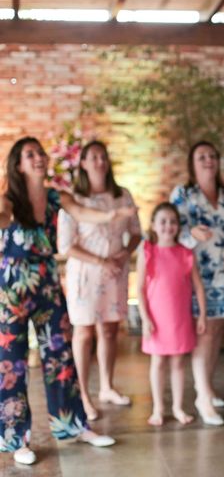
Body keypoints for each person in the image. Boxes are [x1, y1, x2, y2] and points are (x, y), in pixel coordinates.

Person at [0, 137, 131, 464]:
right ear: (18, 165)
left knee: (60, 356)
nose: (38, 158)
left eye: (39, 153)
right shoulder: (8, 200)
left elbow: (85, 213)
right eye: (30, 155)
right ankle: (18, 441)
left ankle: (73, 425)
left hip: (46, 284)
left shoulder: (56, 197)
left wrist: (113, 214)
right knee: (13, 365)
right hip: (12, 289)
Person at [170, 141, 224, 426]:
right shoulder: (183, 195)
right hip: (196, 275)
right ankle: (201, 396)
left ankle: (209, 385)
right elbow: (169, 230)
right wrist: (190, 232)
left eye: (211, 156)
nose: (207, 160)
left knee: (217, 331)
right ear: (192, 164)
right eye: (201, 157)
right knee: (204, 332)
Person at [58, 141, 142, 421]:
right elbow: (66, 245)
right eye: (93, 157)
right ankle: (83, 393)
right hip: (85, 275)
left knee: (109, 330)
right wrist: (100, 261)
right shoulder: (73, 199)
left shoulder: (123, 195)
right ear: (82, 163)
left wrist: (123, 256)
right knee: (83, 334)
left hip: (115, 273)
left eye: (103, 156)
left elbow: (136, 233)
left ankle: (107, 386)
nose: (99, 161)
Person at [136, 202, 207, 427]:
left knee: (178, 363)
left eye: (173, 221)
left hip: (180, 318)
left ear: (178, 226)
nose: (168, 226)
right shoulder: (147, 251)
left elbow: (198, 287)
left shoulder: (185, 253)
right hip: (156, 319)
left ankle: (177, 406)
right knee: (157, 362)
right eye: (163, 221)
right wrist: (145, 319)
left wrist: (202, 315)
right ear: (154, 225)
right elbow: (139, 288)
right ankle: (158, 408)